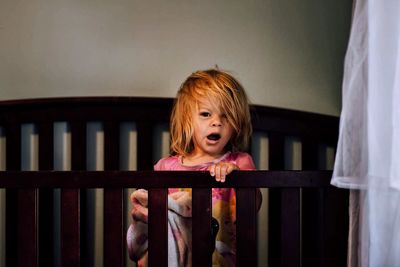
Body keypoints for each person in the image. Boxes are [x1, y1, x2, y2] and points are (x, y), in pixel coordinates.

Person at [127, 69, 261, 267]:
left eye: (226, 116)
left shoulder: (240, 162)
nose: (216, 122)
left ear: (236, 123)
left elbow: (254, 204)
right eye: (206, 114)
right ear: (188, 120)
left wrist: (237, 176)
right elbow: (152, 216)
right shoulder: (166, 167)